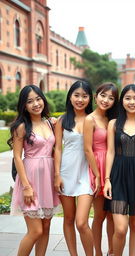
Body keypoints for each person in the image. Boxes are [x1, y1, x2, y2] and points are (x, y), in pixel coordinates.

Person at [103, 84, 135, 256]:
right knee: (120, 228)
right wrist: (107, 180)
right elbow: (110, 152)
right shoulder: (113, 124)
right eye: (127, 98)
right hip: (118, 175)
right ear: (122, 101)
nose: (132, 102)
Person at [8, 85, 59, 256]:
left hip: (48, 178)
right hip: (30, 178)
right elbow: (17, 157)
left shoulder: (50, 123)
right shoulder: (21, 126)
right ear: (24, 105)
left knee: (46, 227)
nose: (36, 104)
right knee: (35, 231)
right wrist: (26, 186)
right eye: (30, 101)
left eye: (38, 99)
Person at [54, 80, 100, 256]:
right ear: (70, 97)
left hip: (87, 173)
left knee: (81, 222)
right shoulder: (62, 120)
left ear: (90, 98)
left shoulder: (94, 119)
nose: (80, 99)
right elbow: (58, 148)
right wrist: (57, 175)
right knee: (69, 219)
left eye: (84, 96)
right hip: (66, 172)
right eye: (76, 95)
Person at [84, 82, 119, 256]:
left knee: (113, 214)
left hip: (114, 166)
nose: (106, 100)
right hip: (98, 166)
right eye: (103, 95)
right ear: (96, 95)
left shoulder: (112, 118)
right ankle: (97, 252)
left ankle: (112, 251)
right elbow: (88, 149)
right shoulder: (90, 119)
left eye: (111, 98)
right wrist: (98, 175)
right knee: (100, 215)